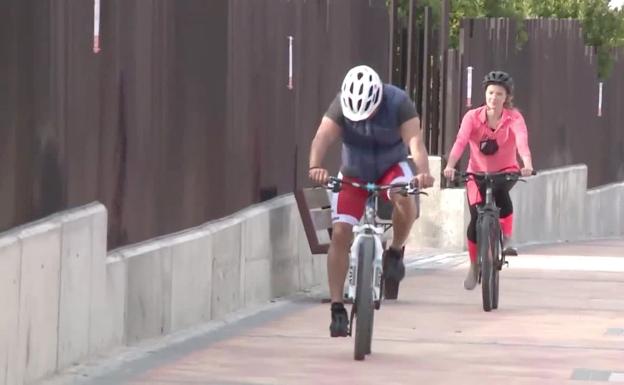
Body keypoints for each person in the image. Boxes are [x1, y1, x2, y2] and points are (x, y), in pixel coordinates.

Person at [308, 65, 434, 337]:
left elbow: (415, 142)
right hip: (354, 171)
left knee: (404, 194)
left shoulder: (399, 102)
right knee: (341, 232)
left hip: (391, 167)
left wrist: (423, 172)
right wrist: (315, 165)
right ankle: (337, 308)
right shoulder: (341, 103)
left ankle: (396, 251)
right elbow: (322, 136)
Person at [443, 70, 534, 290]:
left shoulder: (514, 118)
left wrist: (527, 164)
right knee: (475, 218)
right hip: (476, 174)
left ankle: (507, 237)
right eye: (490, 93)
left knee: (501, 194)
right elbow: (460, 142)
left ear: (507, 97)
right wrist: (450, 165)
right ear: (485, 94)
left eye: (499, 94)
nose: (494, 98)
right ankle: (474, 265)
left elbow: (522, 142)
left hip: (505, 171)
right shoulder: (472, 117)